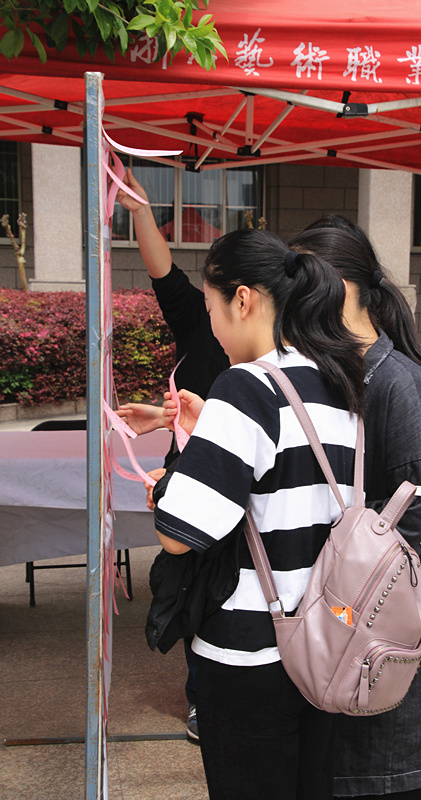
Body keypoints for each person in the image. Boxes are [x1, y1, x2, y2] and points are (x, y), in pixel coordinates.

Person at [151, 227, 366, 800]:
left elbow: (179, 533)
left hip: (249, 653)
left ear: (242, 299)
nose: (213, 329)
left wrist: (171, 481)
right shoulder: (337, 378)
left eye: (210, 310)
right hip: (325, 646)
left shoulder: (245, 387)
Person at [289, 225, 421, 800]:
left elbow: (414, 518)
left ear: (340, 288)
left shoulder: (399, 383)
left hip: (389, 630)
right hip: (355, 628)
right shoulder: (347, 374)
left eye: (301, 284)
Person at [115, 169, 229, 744]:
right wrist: (140, 211)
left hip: (232, 479)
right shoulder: (197, 320)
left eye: (214, 289)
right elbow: (163, 271)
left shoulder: (273, 345)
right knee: (187, 583)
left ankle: (226, 697)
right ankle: (201, 699)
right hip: (187, 474)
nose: (204, 297)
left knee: (230, 587)